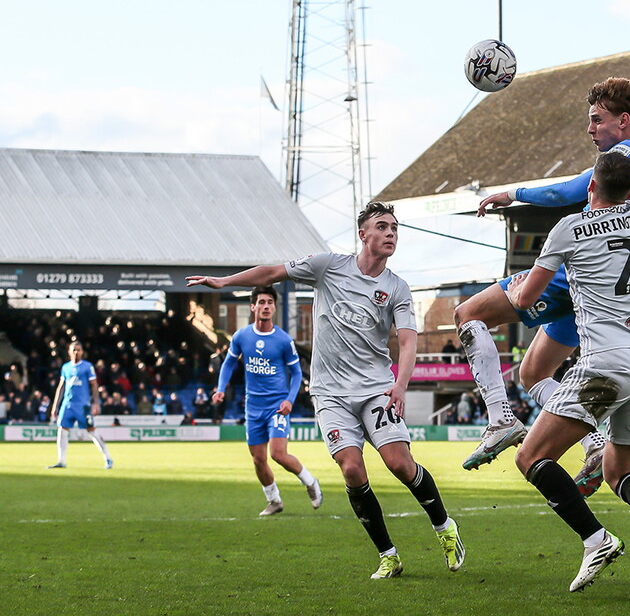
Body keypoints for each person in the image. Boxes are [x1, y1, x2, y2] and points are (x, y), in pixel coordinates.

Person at [187, 202, 465, 579]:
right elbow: (273, 271)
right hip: (330, 393)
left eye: (395, 228)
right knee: (351, 469)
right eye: (382, 226)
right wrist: (224, 282)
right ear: (363, 233)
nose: (390, 233)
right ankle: (388, 555)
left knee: (399, 463)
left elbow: (408, 340)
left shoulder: (396, 287)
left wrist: (400, 385)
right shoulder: (327, 265)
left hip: (376, 390)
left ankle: (444, 527)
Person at [455, 77, 630, 491]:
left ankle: (500, 420)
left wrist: (513, 193)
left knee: (467, 313)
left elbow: (568, 191)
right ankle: (595, 444)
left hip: (570, 279)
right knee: (533, 372)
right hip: (599, 295)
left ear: (623, 120)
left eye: (597, 120)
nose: (591, 129)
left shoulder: (623, 153)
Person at [507, 145, 630, 593]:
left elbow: (524, 300)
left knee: (531, 457)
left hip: (604, 365)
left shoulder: (569, 228)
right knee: (618, 472)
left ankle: (597, 540)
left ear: (591, 185)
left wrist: (518, 285)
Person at [212, 285, 322, 516]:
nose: (266, 306)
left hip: (277, 407)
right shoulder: (242, 336)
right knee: (258, 460)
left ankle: (310, 482)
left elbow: (297, 374)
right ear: (253, 307)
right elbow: (229, 363)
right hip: (253, 407)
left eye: (270, 302)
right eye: (261, 302)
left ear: (274, 307)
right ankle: (274, 500)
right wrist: (221, 388)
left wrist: (290, 400)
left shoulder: (283, 340)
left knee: (277, 453)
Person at [47, 342, 113, 470]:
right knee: (62, 429)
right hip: (67, 405)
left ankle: (108, 458)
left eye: (78, 350)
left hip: (82, 405)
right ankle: (61, 461)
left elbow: (94, 386)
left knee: (91, 430)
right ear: (69, 352)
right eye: (74, 350)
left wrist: (96, 403)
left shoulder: (87, 367)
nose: (76, 352)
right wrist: (55, 405)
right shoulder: (65, 367)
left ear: (82, 352)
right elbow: (61, 386)